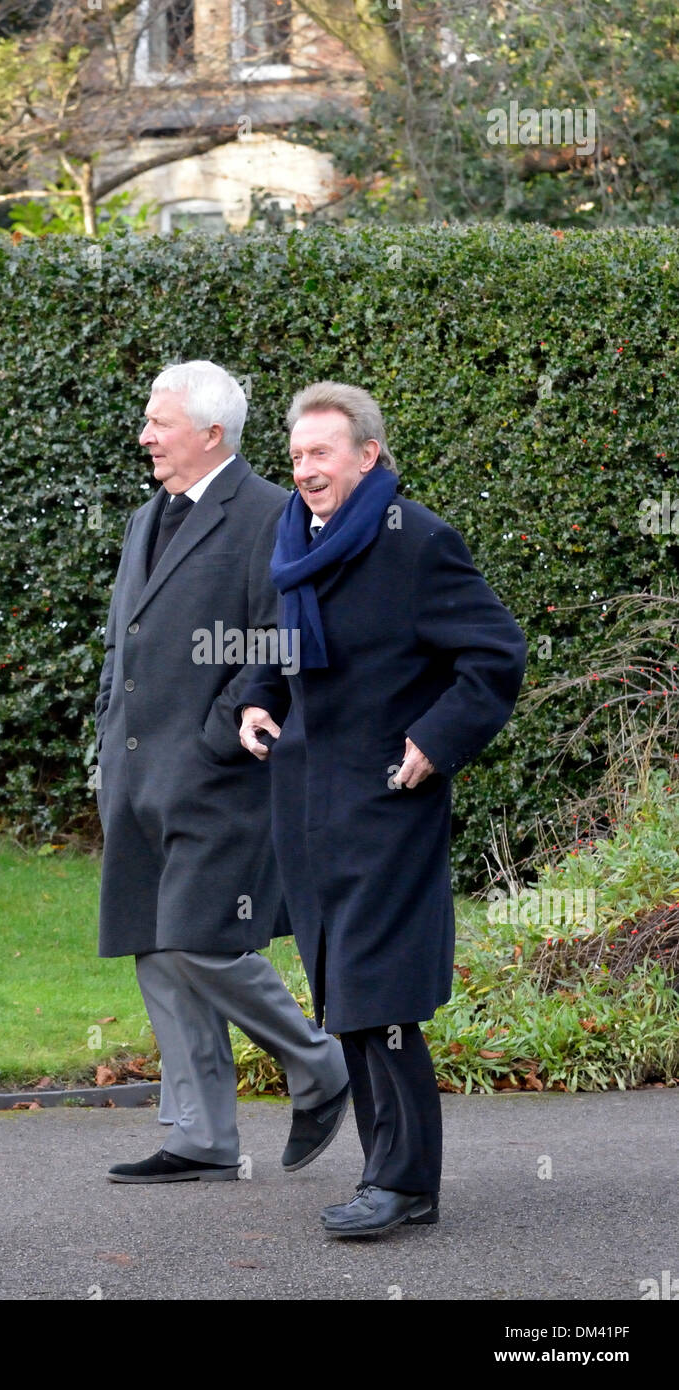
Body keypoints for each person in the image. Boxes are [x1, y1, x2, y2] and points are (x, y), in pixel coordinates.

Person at [238, 382, 528, 1235]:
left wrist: (434, 743)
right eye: (295, 455)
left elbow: (495, 655)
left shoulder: (419, 542)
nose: (304, 469)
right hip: (308, 807)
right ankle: (397, 1181)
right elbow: (277, 646)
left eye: (321, 453)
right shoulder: (297, 540)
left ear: (368, 455)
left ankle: (400, 1183)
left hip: (388, 800)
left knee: (379, 994)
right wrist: (256, 701)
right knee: (345, 994)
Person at [94, 361, 349, 1184]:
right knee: (155, 948)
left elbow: (279, 637)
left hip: (216, 774)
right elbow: (122, 643)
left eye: (157, 423)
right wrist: (108, 731)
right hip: (134, 774)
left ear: (211, 433)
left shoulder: (271, 513)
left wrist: (214, 736)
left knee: (202, 940)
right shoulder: (146, 517)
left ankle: (320, 1063)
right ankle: (202, 1136)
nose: (144, 436)